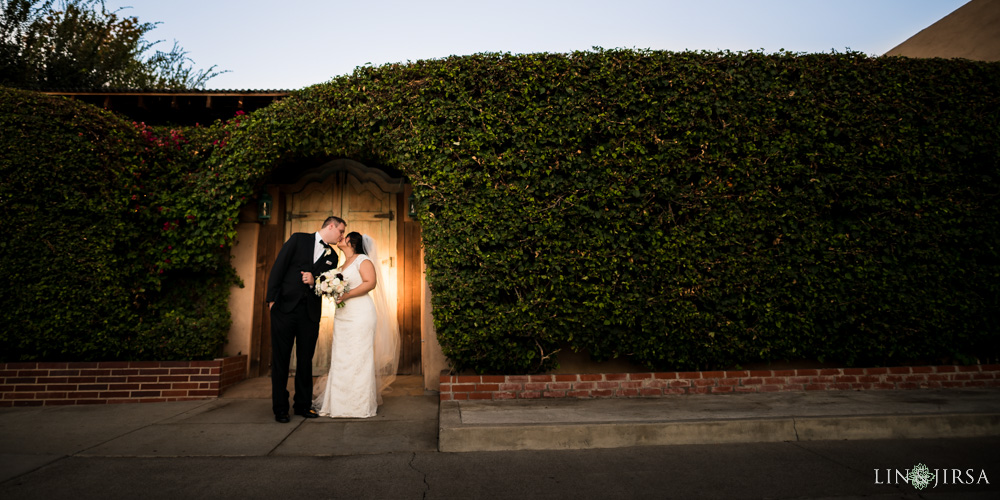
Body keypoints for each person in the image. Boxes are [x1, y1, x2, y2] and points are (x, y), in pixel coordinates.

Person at [266, 216, 346, 423]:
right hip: (284, 309)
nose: (342, 236)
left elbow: (326, 285)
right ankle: (280, 408)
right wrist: (271, 301)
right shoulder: (298, 239)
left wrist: (314, 281)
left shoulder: (333, 257)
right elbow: (278, 268)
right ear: (331, 226)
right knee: (280, 360)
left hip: (309, 315)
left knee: (305, 361)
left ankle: (302, 405)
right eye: (341, 231)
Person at [313, 232, 400, 418]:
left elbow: (370, 283)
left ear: (352, 243)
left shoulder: (363, 260)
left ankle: (359, 405)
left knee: (359, 357)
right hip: (343, 316)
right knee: (341, 357)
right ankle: (338, 404)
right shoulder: (342, 263)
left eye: (344, 237)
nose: (340, 239)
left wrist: (347, 294)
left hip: (360, 314)